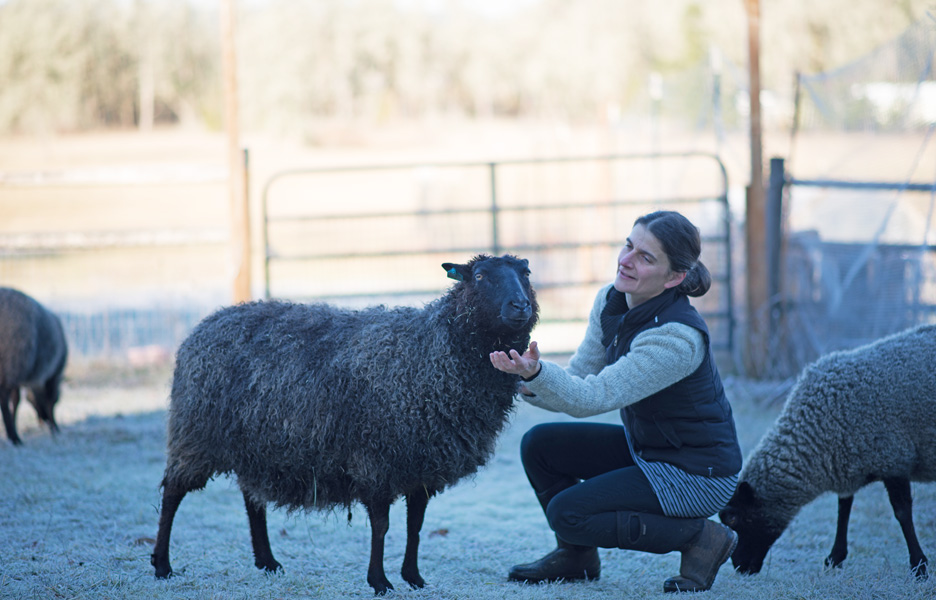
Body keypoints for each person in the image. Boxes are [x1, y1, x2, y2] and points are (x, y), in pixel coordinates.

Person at [489, 210, 742, 593]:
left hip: (697, 474)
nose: (626, 260)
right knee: (540, 445)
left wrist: (536, 373)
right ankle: (577, 558)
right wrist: (518, 378)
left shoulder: (676, 339)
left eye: (646, 257)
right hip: (652, 450)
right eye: (629, 245)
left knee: (567, 512)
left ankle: (700, 537)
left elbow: (594, 397)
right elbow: (575, 380)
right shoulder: (612, 300)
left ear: (674, 278)